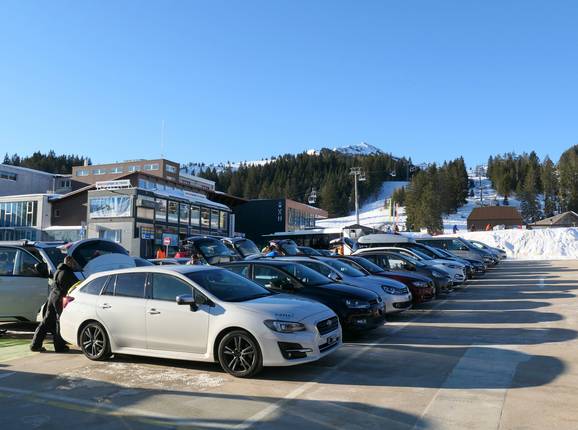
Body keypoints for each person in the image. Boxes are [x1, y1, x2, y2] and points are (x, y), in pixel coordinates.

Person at [30, 256, 79, 352]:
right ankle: (60, 347)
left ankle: (35, 345)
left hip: (52, 297)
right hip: (60, 298)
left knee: (46, 321)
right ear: (68, 262)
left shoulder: (58, 271)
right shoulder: (67, 273)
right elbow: (76, 285)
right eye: (73, 263)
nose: (74, 265)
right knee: (60, 321)